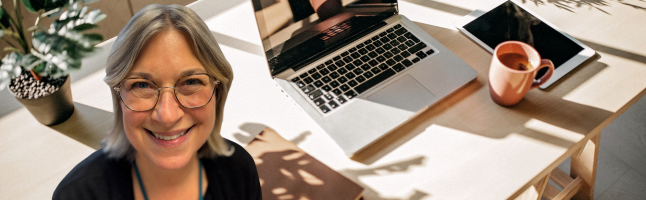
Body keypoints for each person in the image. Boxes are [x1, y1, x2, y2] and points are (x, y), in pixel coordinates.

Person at [53, 4, 261, 200]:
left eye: (190, 81)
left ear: (218, 91)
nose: (167, 116)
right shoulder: (76, 195)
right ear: (119, 96)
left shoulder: (239, 171)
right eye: (142, 85)